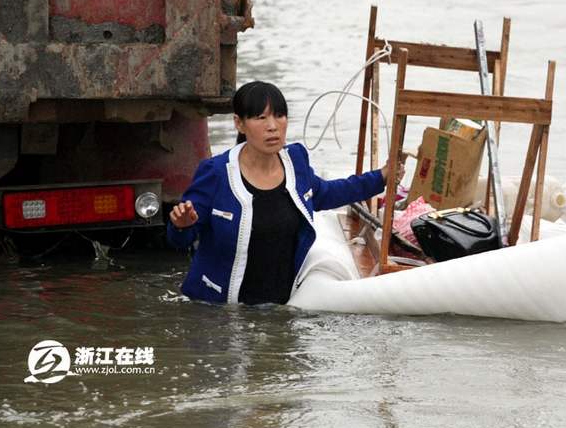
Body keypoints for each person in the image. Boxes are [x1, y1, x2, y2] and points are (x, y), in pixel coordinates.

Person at [167, 81, 400, 305]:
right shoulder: (216, 173)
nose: (273, 126)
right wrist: (182, 225)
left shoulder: (295, 162)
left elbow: (328, 193)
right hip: (217, 310)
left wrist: (381, 177)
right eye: (261, 118)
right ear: (239, 123)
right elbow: (179, 240)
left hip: (278, 310)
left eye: (279, 115)